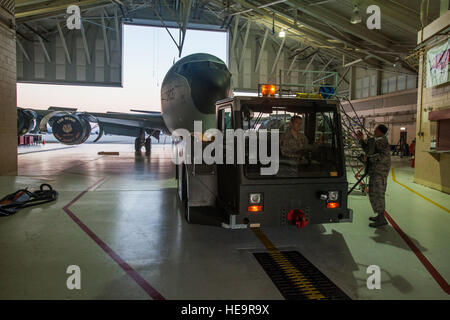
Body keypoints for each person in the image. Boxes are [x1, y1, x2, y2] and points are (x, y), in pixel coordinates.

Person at [357, 124, 391, 228]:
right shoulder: (379, 141)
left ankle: (381, 218)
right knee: (374, 193)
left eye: (376, 129)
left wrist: (362, 141)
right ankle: (380, 215)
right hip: (376, 172)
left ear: (380, 131)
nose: (374, 131)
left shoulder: (381, 141)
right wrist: (362, 141)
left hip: (379, 172)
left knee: (377, 193)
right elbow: (370, 151)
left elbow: (373, 153)